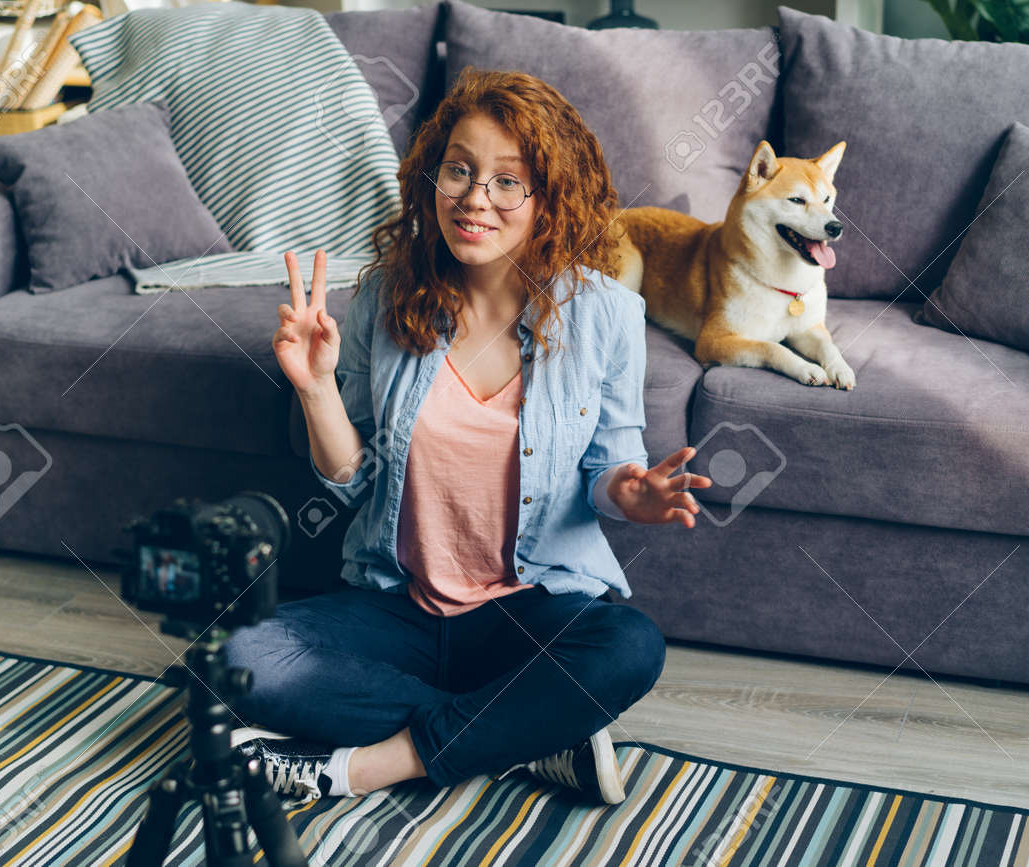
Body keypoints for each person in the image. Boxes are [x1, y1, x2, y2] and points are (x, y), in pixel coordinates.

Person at [224, 68, 712, 807]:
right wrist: (315, 387)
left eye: (508, 181)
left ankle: (368, 764)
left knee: (629, 647)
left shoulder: (608, 313)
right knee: (244, 656)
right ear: (433, 175)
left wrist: (632, 492)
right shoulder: (387, 295)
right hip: (400, 602)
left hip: (529, 604)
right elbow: (351, 477)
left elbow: (611, 466)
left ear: (549, 201)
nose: (475, 197)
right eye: (459, 169)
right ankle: (528, 731)